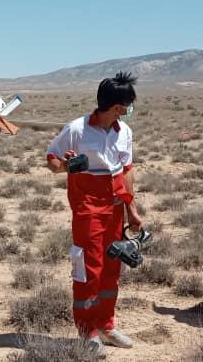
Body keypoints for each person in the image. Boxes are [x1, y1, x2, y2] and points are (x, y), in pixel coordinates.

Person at [45, 72, 143, 357]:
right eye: (126, 105)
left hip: (115, 210)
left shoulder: (124, 132)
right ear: (115, 106)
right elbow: (51, 159)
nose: (128, 110)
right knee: (88, 270)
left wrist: (132, 211)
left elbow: (126, 171)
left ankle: (107, 325)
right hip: (88, 210)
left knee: (112, 269)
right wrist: (63, 166)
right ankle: (88, 332)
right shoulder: (76, 129)